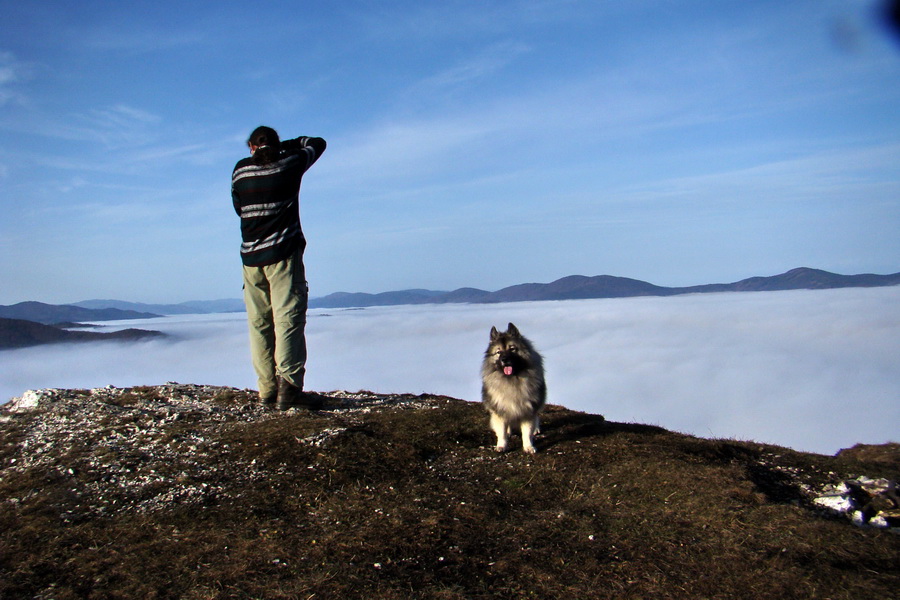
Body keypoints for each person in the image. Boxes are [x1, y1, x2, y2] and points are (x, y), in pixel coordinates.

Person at [231, 126, 326, 410]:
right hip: (283, 255)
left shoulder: (240, 170)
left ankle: (266, 392)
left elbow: (238, 207)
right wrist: (286, 145)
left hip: (250, 258)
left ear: (251, 147)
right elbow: (318, 143)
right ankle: (290, 389)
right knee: (288, 321)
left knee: (259, 324)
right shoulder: (290, 163)